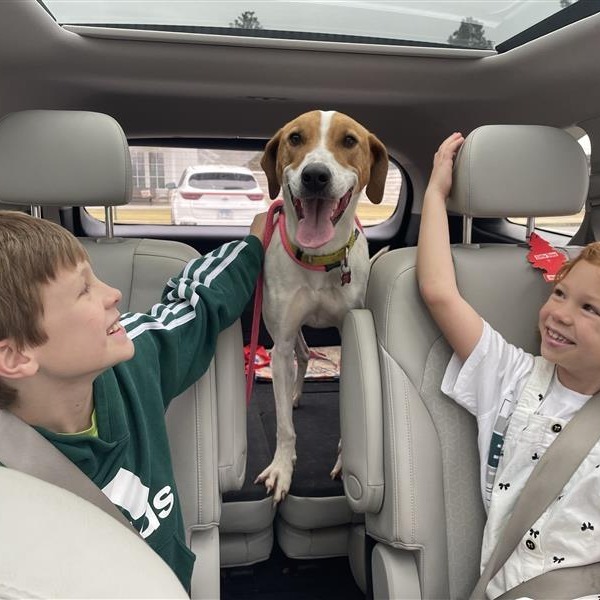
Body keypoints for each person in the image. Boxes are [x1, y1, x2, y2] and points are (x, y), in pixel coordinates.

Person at [0, 209, 267, 593]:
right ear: (17, 356)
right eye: (83, 290)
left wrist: (253, 243)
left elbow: (195, 305)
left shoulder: (136, 361)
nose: (113, 294)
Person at [417, 133, 600, 599]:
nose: (559, 314)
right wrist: (436, 193)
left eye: (590, 309)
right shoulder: (512, 375)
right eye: (559, 293)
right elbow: (440, 292)